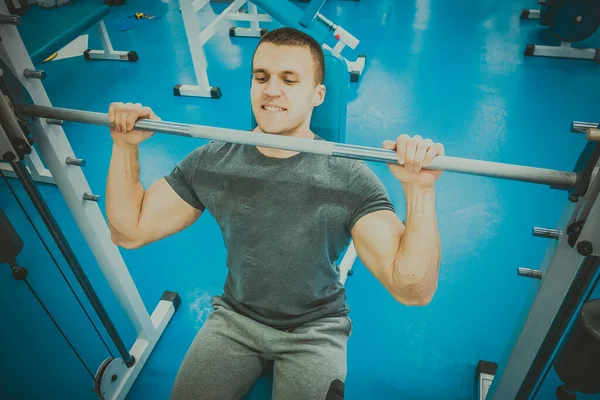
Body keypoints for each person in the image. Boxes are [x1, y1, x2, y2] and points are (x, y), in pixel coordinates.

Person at [106, 27, 444, 400]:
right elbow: (129, 231)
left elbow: (413, 289)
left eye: (289, 79)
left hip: (315, 330)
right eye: (261, 77)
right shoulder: (214, 162)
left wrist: (420, 188)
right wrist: (124, 146)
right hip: (236, 318)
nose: (271, 90)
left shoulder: (349, 179)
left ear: (318, 95)